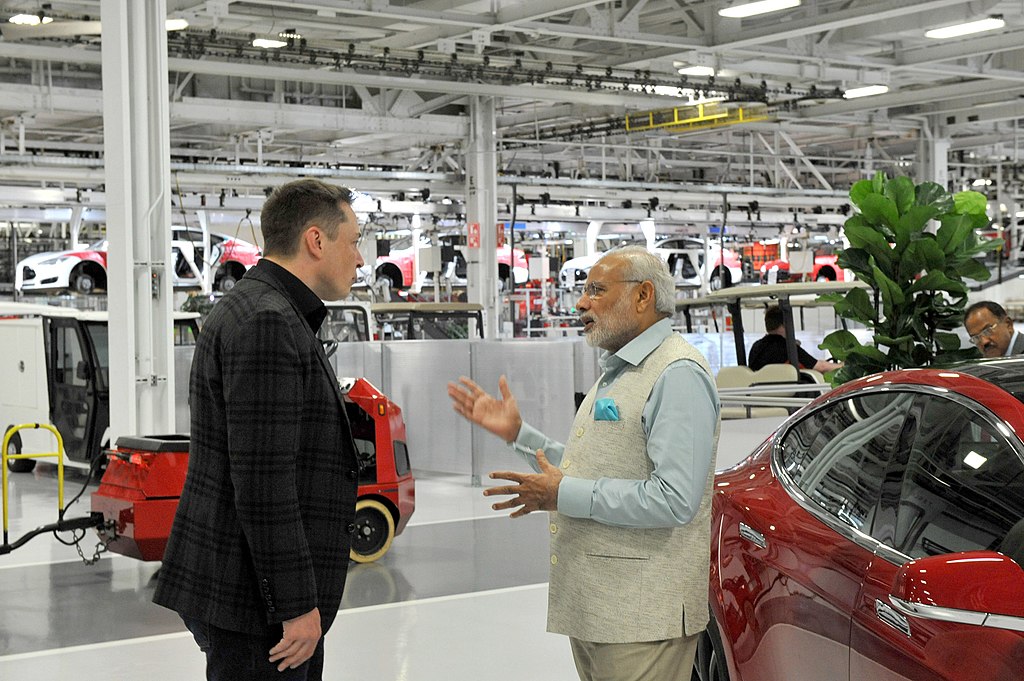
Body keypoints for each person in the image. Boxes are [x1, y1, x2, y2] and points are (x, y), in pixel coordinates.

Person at [448, 246, 720, 681]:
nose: (580, 303)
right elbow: (595, 468)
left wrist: (562, 494)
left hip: (642, 618)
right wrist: (520, 436)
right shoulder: (622, 370)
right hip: (601, 608)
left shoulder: (677, 374)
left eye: (596, 290)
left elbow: (674, 499)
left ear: (643, 295)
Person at [153, 179, 365, 680]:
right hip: (256, 606)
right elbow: (264, 483)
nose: (360, 260)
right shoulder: (268, 323)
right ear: (316, 241)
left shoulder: (259, 307)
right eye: (354, 242)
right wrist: (295, 605)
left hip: (246, 591)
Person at [747, 304, 841, 373]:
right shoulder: (787, 347)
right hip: (787, 392)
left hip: (759, 391)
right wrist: (842, 366)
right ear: (785, 324)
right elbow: (821, 367)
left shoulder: (756, 347)